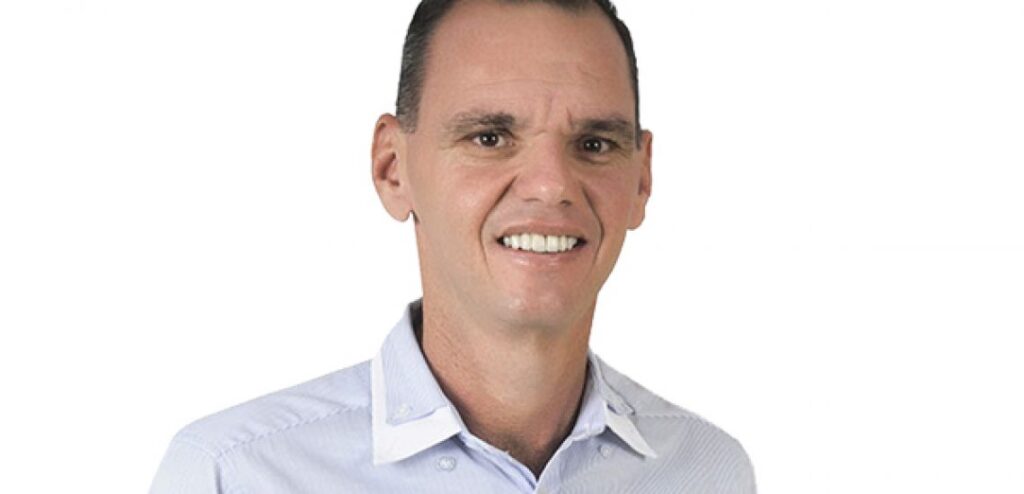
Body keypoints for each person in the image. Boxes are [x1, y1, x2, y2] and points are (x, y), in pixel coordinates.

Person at [149, 0, 756, 492]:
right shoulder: (233, 475)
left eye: (595, 144)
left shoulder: (710, 472)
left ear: (642, 180)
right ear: (393, 169)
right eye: (490, 137)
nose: (551, 185)